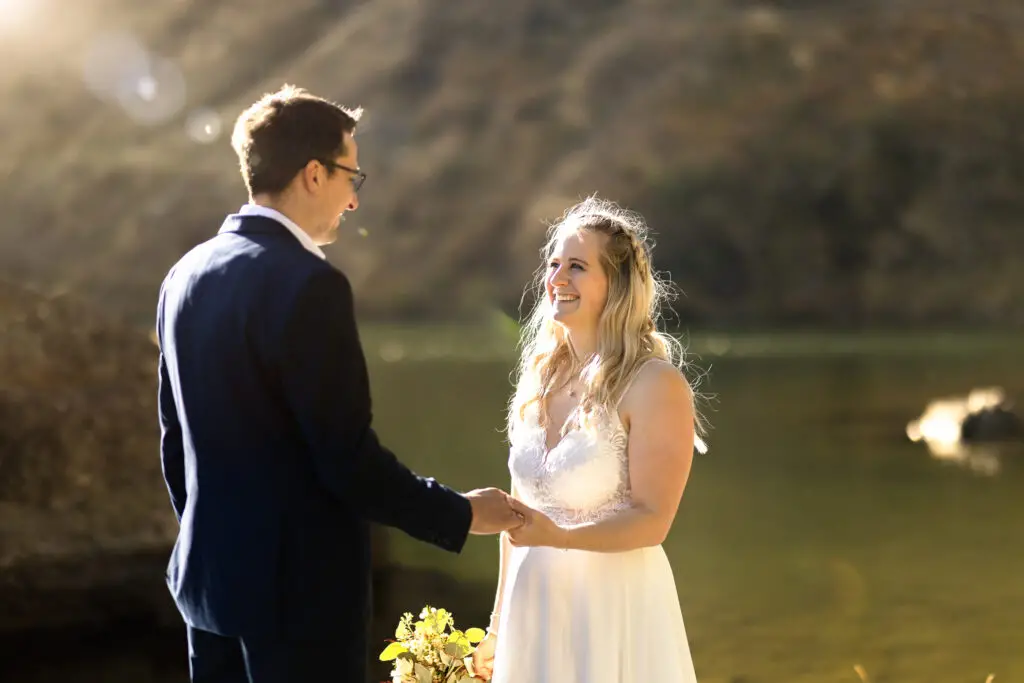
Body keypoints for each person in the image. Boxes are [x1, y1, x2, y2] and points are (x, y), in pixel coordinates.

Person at [155, 85, 523, 683]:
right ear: (314, 174)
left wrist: (219, 538)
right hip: (298, 603)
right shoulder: (308, 284)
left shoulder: (185, 274)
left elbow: (175, 442)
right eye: (353, 176)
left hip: (209, 586)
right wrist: (459, 513)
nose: (354, 201)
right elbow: (346, 460)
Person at [472, 196, 705, 682]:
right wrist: (496, 626)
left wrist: (559, 538)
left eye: (577, 266)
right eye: (553, 264)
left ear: (617, 285)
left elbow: (652, 520)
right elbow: (518, 517)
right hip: (534, 609)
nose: (557, 278)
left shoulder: (653, 384)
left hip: (614, 609)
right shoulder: (540, 378)